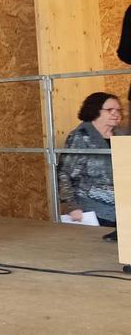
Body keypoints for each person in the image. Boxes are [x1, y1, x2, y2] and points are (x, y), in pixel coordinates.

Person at [59, 92, 122, 241]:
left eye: (118, 110)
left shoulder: (121, 135)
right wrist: (71, 206)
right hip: (95, 209)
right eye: (109, 110)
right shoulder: (80, 137)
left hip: (122, 209)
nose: (115, 114)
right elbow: (64, 174)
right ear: (95, 111)